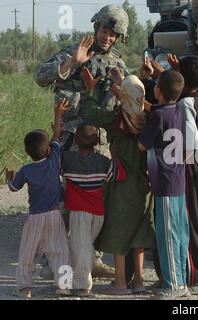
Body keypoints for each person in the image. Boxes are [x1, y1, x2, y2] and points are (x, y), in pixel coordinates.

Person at [34, 4, 130, 278]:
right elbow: (40, 76)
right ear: (95, 27)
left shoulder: (117, 63)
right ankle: (51, 259)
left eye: (113, 34)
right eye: (104, 30)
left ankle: (92, 257)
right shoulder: (73, 51)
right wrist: (73, 62)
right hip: (67, 138)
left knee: (96, 201)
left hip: (96, 141)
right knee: (63, 199)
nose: (106, 37)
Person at [81, 67, 155, 295]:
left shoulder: (116, 120)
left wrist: (90, 90)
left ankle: (120, 282)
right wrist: (125, 88)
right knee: (138, 235)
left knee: (119, 233)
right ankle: (140, 281)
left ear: (122, 98)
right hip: (144, 187)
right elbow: (137, 101)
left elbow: (91, 112)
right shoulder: (150, 120)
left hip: (121, 186)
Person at [5, 99, 71, 298]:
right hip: (53, 215)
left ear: (26, 152)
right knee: (60, 252)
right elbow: (57, 136)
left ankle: (25, 288)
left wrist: (9, 178)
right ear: (49, 150)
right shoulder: (52, 161)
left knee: (28, 252)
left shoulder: (26, 170)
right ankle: (65, 286)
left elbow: (13, 188)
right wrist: (58, 114)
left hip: (34, 218)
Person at [138, 69, 190, 300]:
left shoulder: (158, 117)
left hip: (165, 182)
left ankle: (173, 285)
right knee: (180, 234)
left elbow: (142, 145)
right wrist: (149, 106)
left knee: (167, 235)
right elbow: (160, 111)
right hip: (178, 179)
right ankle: (182, 280)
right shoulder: (178, 110)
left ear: (158, 90)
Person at [61, 123, 126, 296]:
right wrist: (114, 156)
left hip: (78, 211)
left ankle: (83, 285)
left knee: (80, 246)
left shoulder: (68, 160)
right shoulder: (103, 162)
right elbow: (120, 175)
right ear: (97, 141)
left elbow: (54, 159)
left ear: (75, 140)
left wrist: (59, 135)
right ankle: (79, 279)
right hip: (98, 213)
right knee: (86, 245)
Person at [168, 54, 198, 295]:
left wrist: (180, 163)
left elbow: (191, 140)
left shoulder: (184, 104)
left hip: (192, 167)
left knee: (191, 223)